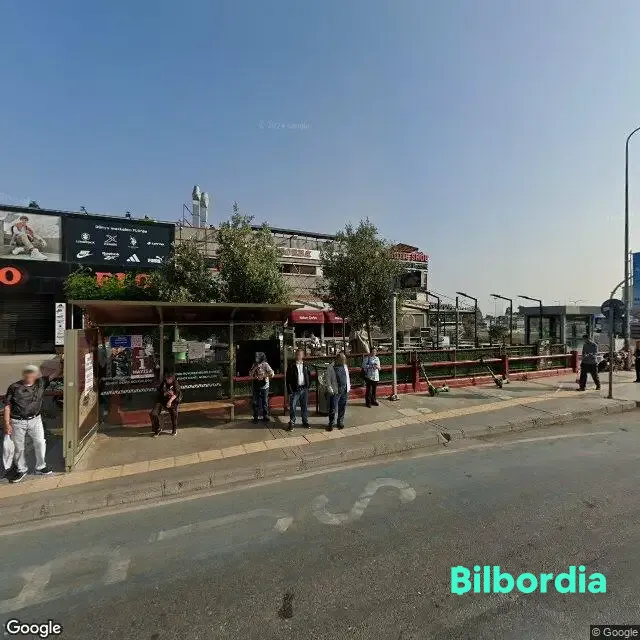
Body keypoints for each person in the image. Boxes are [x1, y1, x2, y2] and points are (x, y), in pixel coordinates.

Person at [3, 364, 59, 483]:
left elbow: (56, 372)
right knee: (19, 447)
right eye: (27, 373)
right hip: (18, 421)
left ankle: (41, 466)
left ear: (36, 374)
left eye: (32, 373)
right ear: (24, 374)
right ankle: (21, 469)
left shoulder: (41, 383)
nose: (29, 375)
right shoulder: (14, 387)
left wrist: (60, 362)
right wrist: (7, 423)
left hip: (35, 420)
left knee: (40, 442)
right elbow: (7, 406)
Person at [150, 369, 182, 436]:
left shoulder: (175, 383)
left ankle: (174, 428)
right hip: (162, 401)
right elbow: (161, 391)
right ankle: (157, 428)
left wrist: (170, 401)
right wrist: (166, 393)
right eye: (167, 379)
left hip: (172, 402)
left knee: (174, 413)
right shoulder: (164, 383)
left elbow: (176, 393)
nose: (168, 380)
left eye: (169, 379)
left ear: (172, 379)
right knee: (153, 414)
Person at [285, 348, 311, 430]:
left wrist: (308, 386)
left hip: (304, 389)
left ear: (303, 355)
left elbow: (309, 376)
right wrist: (290, 391)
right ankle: (292, 422)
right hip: (295, 389)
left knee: (304, 406)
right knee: (293, 407)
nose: (297, 356)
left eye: (299, 354)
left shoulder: (306, 365)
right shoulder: (291, 365)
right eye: (296, 354)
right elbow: (288, 379)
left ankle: (305, 421)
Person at [326, 352, 351, 431]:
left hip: (344, 390)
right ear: (337, 359)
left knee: (342, 407)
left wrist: (348, 387)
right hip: (335, 391)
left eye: (344, 359)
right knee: (332, 408)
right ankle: (331, 422)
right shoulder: (331, 367)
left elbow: (347, 377)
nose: (344, 361)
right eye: (342, 359)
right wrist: (330, 389)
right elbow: (328, 379)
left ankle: (340, 421)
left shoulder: (345, 366)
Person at [249, 353, 274, 424]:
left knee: (265, 402)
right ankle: (255, 417)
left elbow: (272, 374)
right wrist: (255, 368)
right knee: (255, 402)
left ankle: (265, 416)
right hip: (256, 385)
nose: (256, 358)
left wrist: (263, 376)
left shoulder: (265, 364)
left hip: (264, 386)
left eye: (258, 357)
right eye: (256, 357)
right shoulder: (254, 364)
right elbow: (250, 374)